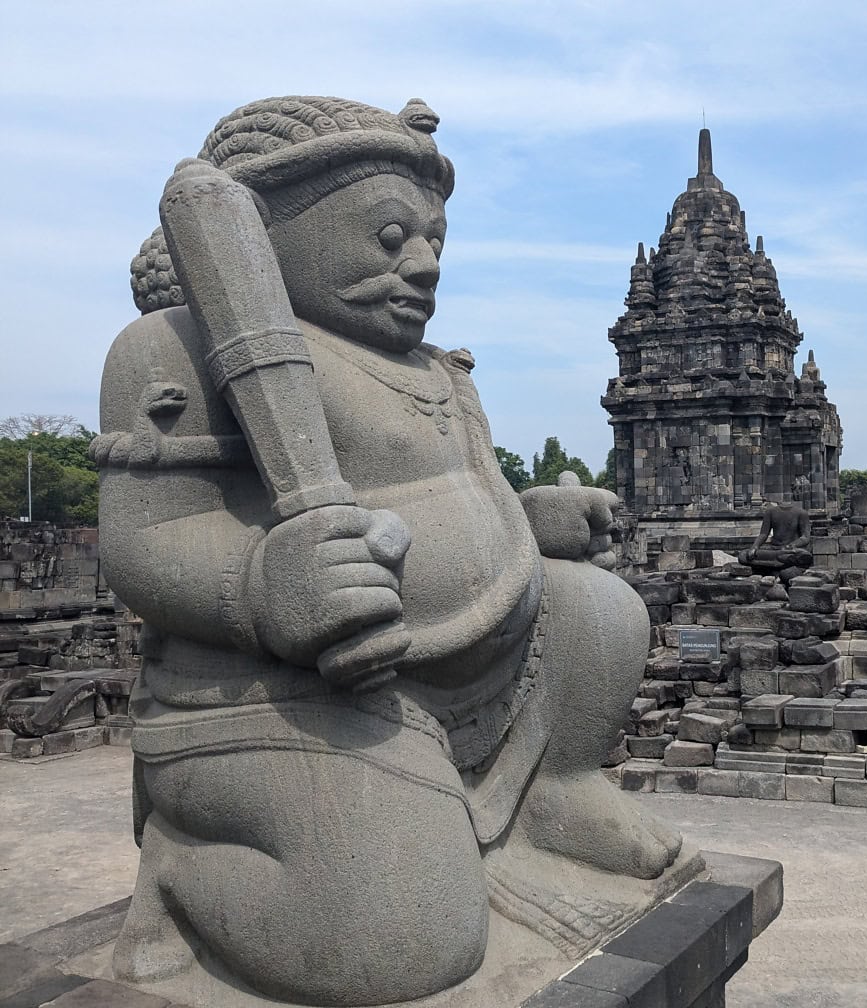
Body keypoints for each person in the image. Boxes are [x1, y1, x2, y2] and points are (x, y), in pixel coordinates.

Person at [95, 96, 683, 1005]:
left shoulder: (439, 371)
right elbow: (148, 538)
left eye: (436, 243)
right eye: (389, 234)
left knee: (602, 608)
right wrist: (260, 584)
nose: (423, 265)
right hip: (299, 689)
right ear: (262, 229)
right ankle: (183, 872)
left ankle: (551, 786)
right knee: (400, 944)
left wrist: (530, 518)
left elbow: (458, 490)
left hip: (487, 666)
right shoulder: (171, 349)